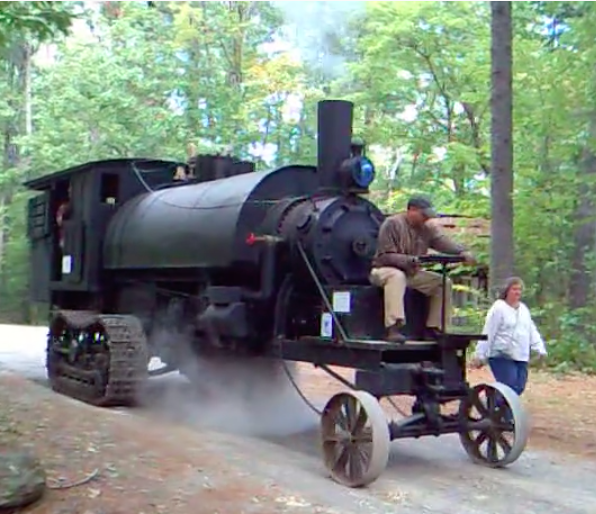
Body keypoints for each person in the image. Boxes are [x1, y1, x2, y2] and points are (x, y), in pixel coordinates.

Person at [370, 195, 476, 343]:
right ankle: (393, 327)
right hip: (383, 271)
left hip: (411, 273)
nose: (426, 219)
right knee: (396, 276)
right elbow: (385, 256)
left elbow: (442, 243)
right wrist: (409, 260)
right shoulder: (392, 223)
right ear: (412, 210)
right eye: (423, 215)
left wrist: (462, 252)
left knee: (443, 282)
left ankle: (434, 328)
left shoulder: (427, 228)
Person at [470, 276, 548, 398]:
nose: (517, 292)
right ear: (507, 290)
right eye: (514, 289)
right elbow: (489, 331)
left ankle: (495, 405)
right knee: (509, 387)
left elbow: (531, 330)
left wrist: (540, 348)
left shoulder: (523, 309)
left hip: (520, 354)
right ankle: (503, 414)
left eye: (519, 289)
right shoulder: (499, 307)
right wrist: (480, 354)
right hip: (501, 354)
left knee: (519, 387)